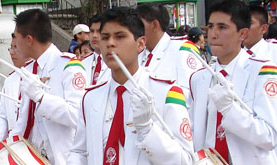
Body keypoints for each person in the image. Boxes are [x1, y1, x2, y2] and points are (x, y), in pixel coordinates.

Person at [67, 7, 194, 164]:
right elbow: (79, 151)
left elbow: (186, 160)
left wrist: (148, 130)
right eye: (105, 37)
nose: (110, 44)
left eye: (120, 36)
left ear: (140, 44)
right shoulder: (91, 97)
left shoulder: (167, 93)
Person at [189, 1, 277, 164]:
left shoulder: (262, 72)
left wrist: (230, 110)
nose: (213, 34)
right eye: (210, 27)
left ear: (242, 34)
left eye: (222, 27)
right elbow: (194, 132)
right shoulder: (200, 78)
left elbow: (269, 136)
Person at [8, 9, 87, 164]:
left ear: (29, 39)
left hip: (64, 159)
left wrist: (42, 98)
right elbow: (24, 119)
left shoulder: (68, 66)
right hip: (32, 158)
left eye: (17, 38)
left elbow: (78, 116)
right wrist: (7, 146)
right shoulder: (30, 69)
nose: (15, 45)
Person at [136, 3, 200, 99]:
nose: (135, 30)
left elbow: (193, 93)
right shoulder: (138, 54)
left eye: (139, 25)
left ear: (154, 25)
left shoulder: (181, 50)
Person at [0, 36, 33, 146]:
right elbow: (2, 116)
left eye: (16, 48)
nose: (11, 52)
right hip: (15, 147)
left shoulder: (39, 76)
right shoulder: (9, 80)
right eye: (10, 48)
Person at [243, 5, 277, 69]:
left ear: (263, 28)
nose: (242, 28)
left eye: (248, 23)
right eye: (240, 23)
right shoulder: (232, 55)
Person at [82, 14, 111, 87]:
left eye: (99, 31)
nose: (94, 35)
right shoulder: (83, 63)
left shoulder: (117, 62)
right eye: (92, 31)